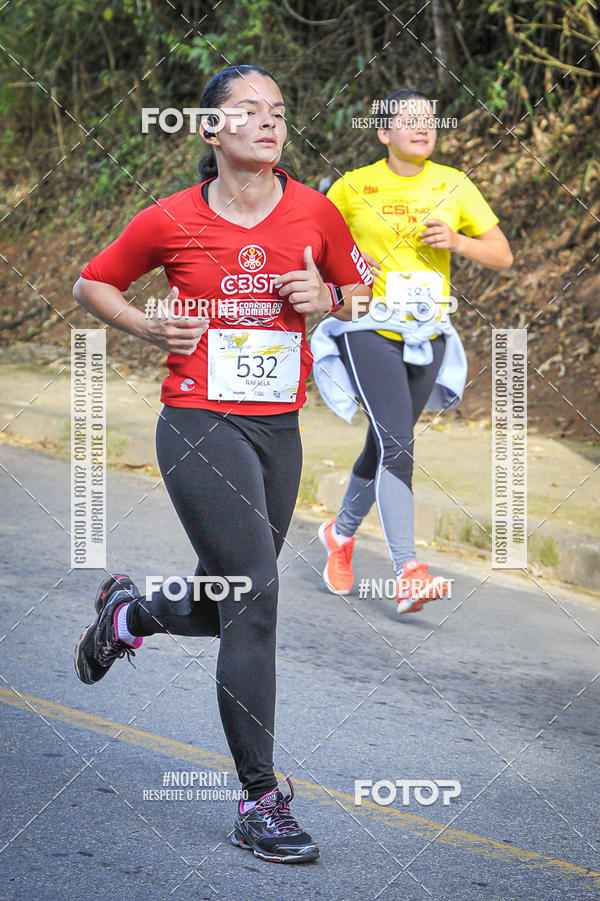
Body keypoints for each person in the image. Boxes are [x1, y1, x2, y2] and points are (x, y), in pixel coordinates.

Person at [72, 64, 372, 863]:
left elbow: (363, 291)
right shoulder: (170, 218)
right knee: (256, 594)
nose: (270, 122)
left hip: (279, 431)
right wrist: (147, 326)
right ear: (211, 131)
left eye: (279, 110)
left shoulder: (317, 212)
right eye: (249, 111)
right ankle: (260, 799)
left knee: (239, 599)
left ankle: (129, 616)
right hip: (199, 422)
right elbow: (92, 281)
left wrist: (329, 299)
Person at [313, 88, 513, 613]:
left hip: (427, 329)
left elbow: (502, 254)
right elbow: (308, 248)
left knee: (386, 443)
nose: (422, 127)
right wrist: (349, 267)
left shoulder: (455, 184)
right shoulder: (353, 187)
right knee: (398, 442)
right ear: (383, 133)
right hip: (368, 323)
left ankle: (340, 533)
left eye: (428, 119)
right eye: (408, 120)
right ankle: (408, 570)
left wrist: (460, 242)